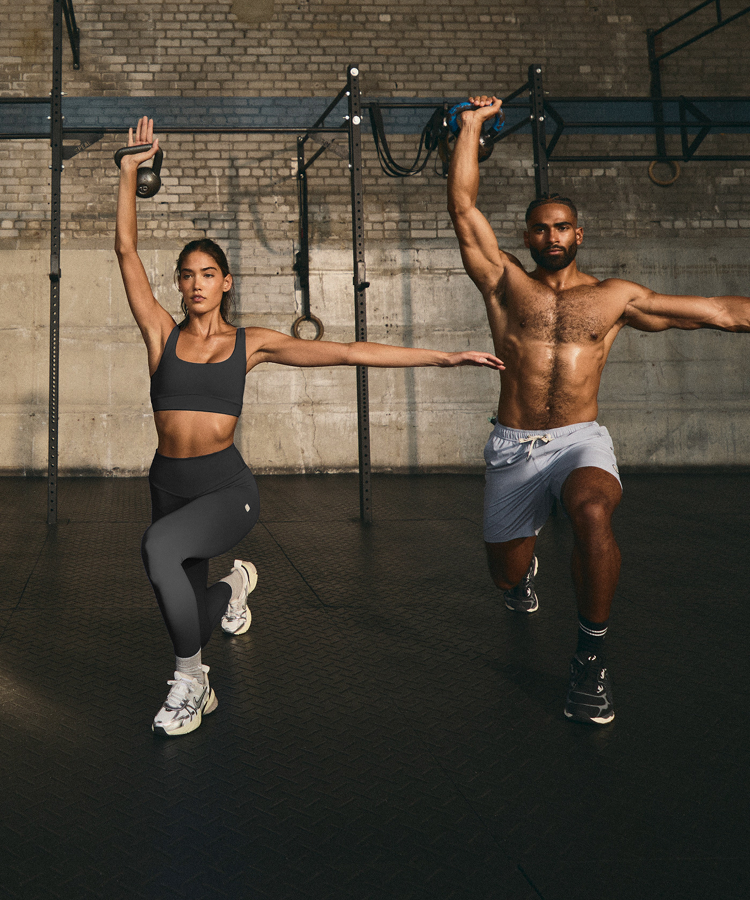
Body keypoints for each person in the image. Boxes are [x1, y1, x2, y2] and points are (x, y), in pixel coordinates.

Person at [116, 117, 504, 737]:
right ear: (177, 284)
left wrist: (444, 356)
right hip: (168, 486)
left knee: (157, 550)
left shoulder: (253, 344)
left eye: (207, 273)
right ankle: (236, 586)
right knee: (182, 604)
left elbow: (349, 352)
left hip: (225, 491)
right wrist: (130, 172)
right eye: (186, 274)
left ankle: (194, 683)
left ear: (225, 282)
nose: (195, 283)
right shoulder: (161, 336)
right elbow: (126, 252)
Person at [447, 95, 750, 725]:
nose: (552, 236)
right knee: (504, 576)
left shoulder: (615, 298)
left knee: (591, 512)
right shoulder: (504, 281)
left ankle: (590, 659)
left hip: (580, 439)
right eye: (541, 228)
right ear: (528, 235)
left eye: (562, 227)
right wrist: (472, 127)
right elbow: (463, 207)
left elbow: (720, 312)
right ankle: (521, 579)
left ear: (578, 234)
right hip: (513, 445)